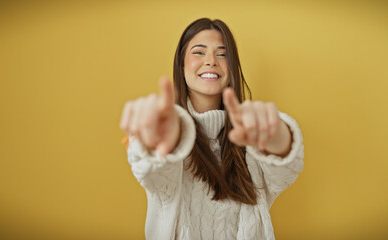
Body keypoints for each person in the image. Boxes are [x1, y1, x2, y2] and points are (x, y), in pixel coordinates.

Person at [119, 18, 304, 240]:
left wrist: (276, 135)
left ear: (232, 67)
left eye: (222, 54)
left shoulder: (249, 139)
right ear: (181, 65)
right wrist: (161, 141)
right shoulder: (169, 132)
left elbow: (285, 165)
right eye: (199, 52)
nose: (211, 61)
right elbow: (152, 168)